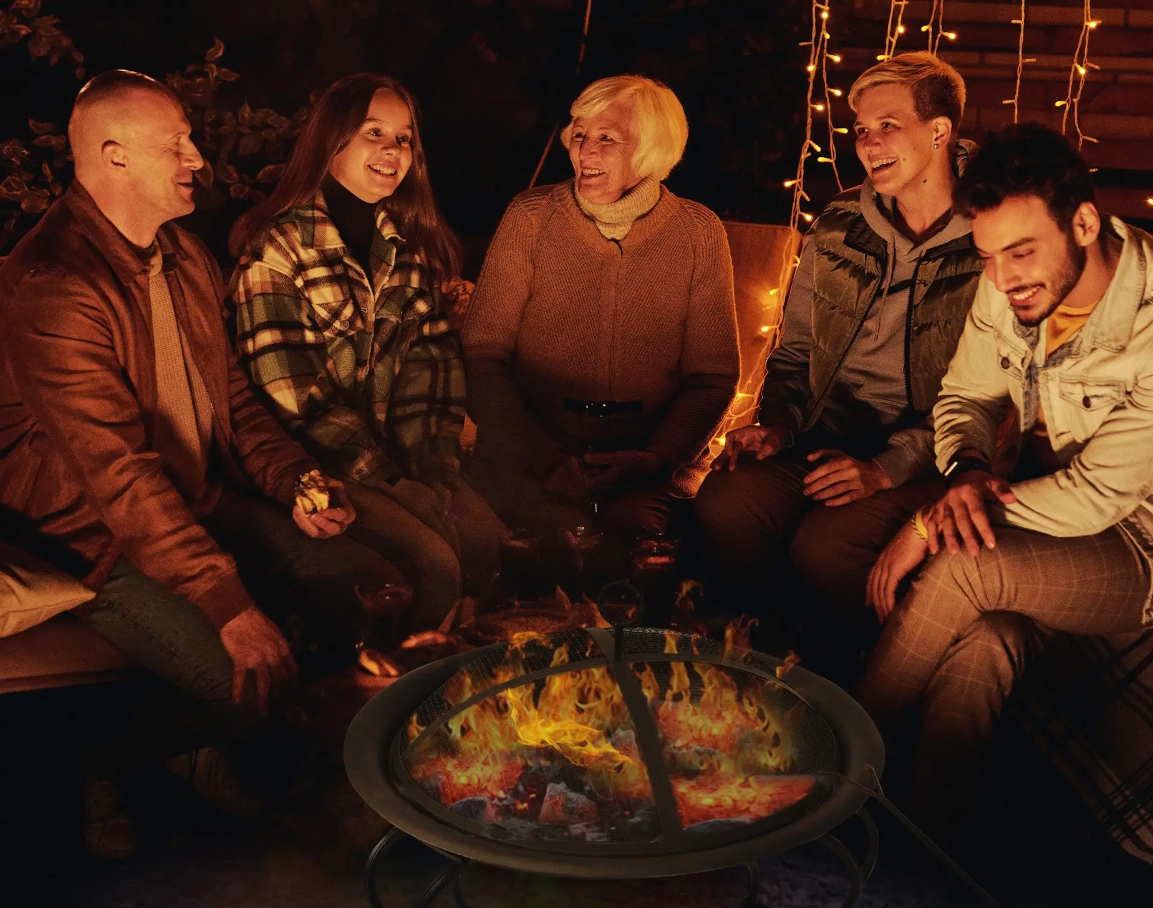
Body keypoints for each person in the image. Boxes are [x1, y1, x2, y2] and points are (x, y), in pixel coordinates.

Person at [0, 71, 405, 853]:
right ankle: (100, 762)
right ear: (113, 157)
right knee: (248, 674)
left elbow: (231, 398)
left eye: (190, 138)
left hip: (191, 498)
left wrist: (297, 481)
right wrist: (227, 604)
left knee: (364, 589)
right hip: (92, 532)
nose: (197, 158)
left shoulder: (182, 254)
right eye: (175, 144)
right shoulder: (54, 285)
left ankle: (232, 752)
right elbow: (116, 473)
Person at [857, 122, 1153, 840]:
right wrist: (967, 471)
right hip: (1044, 515)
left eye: (1020, 251)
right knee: (989, 640)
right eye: (986, 256)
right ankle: (924, 847)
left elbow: (1096, 497)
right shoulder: (1008, 287)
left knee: (960, 568)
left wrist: (926, 524)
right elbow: (965, 398)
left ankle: (822, 766)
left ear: (1083, 221)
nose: (1002, 276)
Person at [695, 53, 981, 665]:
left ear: (939, 131)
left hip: (925, 452)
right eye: (861, 130)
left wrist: (886, 468)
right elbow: (795, 350)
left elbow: (988, 394)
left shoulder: (992, 236)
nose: (869, 144)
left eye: (888, 125)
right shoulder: (840, 223)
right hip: (823, 437)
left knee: (826, 546)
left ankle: (851, 680)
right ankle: (756, 657)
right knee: (726, 503)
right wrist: (778, 424)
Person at [230, 73, 505, 631]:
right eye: (372, 132)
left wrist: (436, 472)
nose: (392, 149)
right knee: (433, 565)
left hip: (402, 462)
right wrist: (394, 484)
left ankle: (474, 694)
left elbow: (433, 373)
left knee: (492, 543)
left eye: (404, 138)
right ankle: (399, 698)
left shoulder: (403, 247)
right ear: (331, 142)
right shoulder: (279, 248)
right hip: (320, 468)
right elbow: (294, 396)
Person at [461, 74, 740, 567]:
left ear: (652, 150)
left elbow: (712, 376)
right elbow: (483, 355)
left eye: (606, 138)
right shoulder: (531, 218)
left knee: (630, 551)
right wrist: (538, 452)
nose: (583, 150)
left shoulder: (699, 234)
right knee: (526, 553)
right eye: (580, 133)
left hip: (647, 463)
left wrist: (656, 458)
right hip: (531, 456)